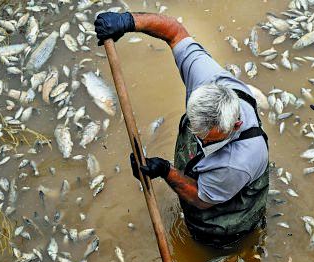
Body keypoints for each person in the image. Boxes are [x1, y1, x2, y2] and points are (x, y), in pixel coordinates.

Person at [95, 12, 269, 249]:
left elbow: (201, 198)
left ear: (235, 126)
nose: (200, 142)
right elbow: (174, 32)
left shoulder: (238, 161)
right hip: (216, 180)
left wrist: (165, 171)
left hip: (225, 220)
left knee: (216, 242)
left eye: (208, 140)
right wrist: (127, 22)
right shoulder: (208, 79)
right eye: (196, 134)